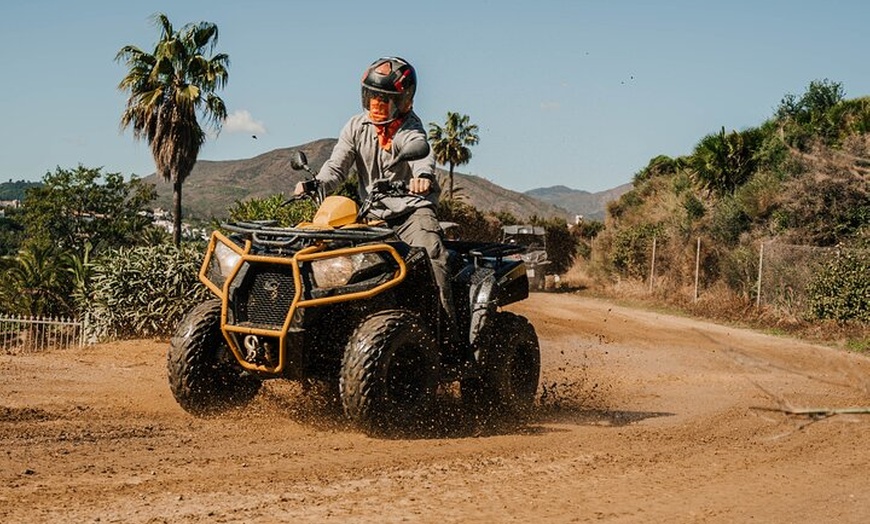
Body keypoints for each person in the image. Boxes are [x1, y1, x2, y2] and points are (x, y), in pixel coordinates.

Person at [294, 56, 455, 326]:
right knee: (326, 259)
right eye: (373, 96)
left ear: (404, 101)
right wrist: (316, 183)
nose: (377, 104)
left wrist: (423, 177)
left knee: (433, 254)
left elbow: (420, 150)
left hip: (411, 213)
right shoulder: (356, 126)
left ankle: (446, 332)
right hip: (371, 216)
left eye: (385, 99)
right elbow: (336, 166)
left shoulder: (409, 128)